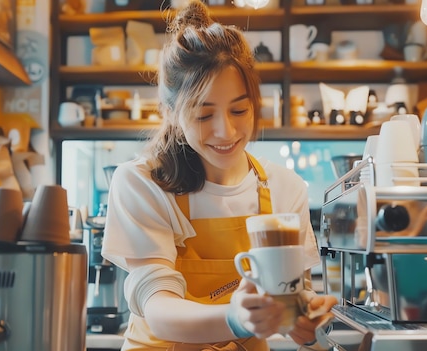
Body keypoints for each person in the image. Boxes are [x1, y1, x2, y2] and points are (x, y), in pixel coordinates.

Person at [101, 1, 338, 350]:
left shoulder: (285, 188)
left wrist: (300, 319)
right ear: (170, 112)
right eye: (203, 115)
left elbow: (292, 291)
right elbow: (158, 308)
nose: (225, 131)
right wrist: (235, 318)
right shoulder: (141, 182)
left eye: (239, 110)